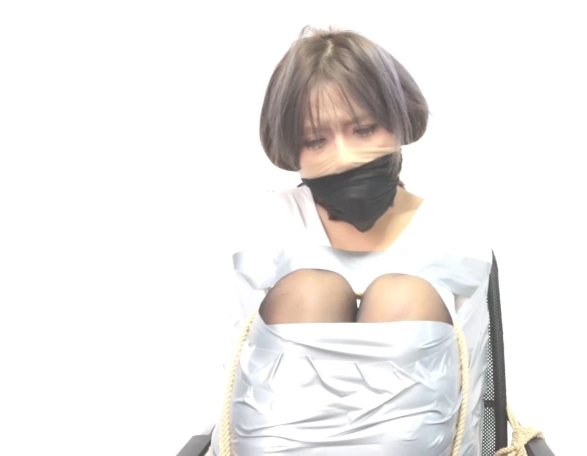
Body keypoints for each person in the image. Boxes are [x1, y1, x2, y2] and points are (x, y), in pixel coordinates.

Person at [210, 26, 494, 456]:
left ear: (398, 122)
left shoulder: (455, 237)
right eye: (315, 141)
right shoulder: (265, 229)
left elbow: (472, 399)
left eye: (363, 130)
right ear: (293, 149)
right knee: (310, 290)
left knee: (404, 296)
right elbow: (232, 382)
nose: (342, 157)